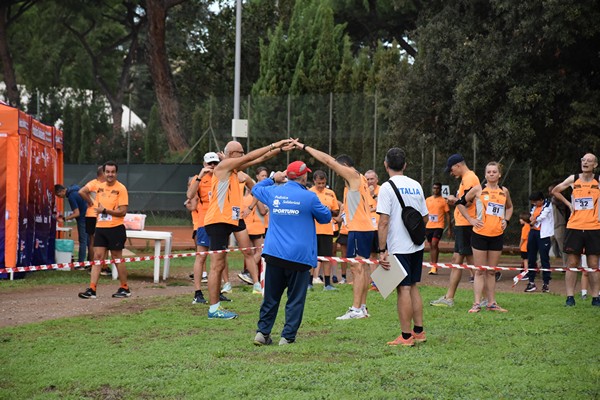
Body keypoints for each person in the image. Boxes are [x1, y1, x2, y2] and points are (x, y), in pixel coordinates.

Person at [204, 139, 294, 319]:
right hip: (218, 220)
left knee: (220, 263)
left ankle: (217, 305)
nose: (244, 155)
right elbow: (254, 156)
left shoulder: (235, 169)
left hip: (229, 220)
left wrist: (279, 149)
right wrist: (272, 144)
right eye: (240, 152)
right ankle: (214, 309)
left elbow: (258, 159)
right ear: (230, 155)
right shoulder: (224, 166)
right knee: (217, 264)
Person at [293, 139, 377, 319]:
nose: (337, 174)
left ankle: (356, 309)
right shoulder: (359, 178)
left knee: (357, 268)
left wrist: (304, 147)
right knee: (363, 268)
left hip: (359, 229)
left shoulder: (353, 176)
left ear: (345, 166)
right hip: (365, 228)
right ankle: (362, 307)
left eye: (339, 169)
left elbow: (328, 161)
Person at [252, 161, 332, 345]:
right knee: (295, 299)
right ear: (304, 177)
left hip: (274, 254)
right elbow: (326, 218)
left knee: (271, 297)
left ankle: (262, 333)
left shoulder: (274, 192)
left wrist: (273, 178)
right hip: (299, 257)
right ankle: (287, 337)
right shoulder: (309, 197)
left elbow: (256, 189)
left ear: (287, 175)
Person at [376, 148, 429, 346]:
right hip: (416, 244)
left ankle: (406, 337)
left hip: (398, 246)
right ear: (405, 165)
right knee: (413, 286)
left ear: (385, 164)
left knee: (403, 289)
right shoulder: (416, 185)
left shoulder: (386, 188)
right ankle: (419, 331)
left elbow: (383, 221)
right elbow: (424, 217)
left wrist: (382, 250)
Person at [457, 162, 513, 313]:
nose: (492, 174)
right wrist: (471, 220)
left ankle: (492, 303)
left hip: (497, 235)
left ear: (499, 174)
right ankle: (476, 303)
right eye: (489, 172)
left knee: (492, 271)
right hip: (480, 235)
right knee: (480, 271)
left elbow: (509, 207)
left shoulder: (504, 191)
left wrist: (506, 220)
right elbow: (460, 203)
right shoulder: (478, 190)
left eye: (494, 172)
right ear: (485, 174)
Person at [430, 154, 480, 307]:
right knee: (458, 261)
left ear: (458, 165)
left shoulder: (470, 179)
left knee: (470, 262)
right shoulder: (466, 179)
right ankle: (450, 297)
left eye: (452, 170)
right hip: (463, 224)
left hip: (466, 224)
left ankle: (482, 298)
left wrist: (454, 200)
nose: (451, 173)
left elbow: (470, 202)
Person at [551, 153, 600, 307]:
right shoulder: (574, 179)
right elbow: (556, 190)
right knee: (572, 262)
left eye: (589, 161)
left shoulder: (598, 180)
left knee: (593, 263)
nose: (585, 163)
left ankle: (595, 297)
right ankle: (570, 297)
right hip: (574, 226)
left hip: (594, 227)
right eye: (583, 160)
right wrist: (569, 204)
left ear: (595, 165)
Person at [78, 161, 130, 299]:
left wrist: (105, 211)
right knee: (97, 257)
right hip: (100, 227)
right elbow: (94, 204)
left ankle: (124, 287)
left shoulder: (121, 189)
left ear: (116, 173)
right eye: (108, 172)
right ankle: (92, 289)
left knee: (117, 257)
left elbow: (123, 211)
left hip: (116, 228)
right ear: (104, 173)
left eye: (113, 172)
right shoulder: (99, 188)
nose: (110, 174)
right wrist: (95, 208)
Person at [186, 152, 232, 304]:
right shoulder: (198, 178)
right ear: (204, 164)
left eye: (215, 163)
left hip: (220, 221)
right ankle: (198, 293)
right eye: (209, 163)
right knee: (201, 256)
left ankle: (216, 292)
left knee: (219, 258)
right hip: (204, 222)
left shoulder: (223, 176)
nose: (212, 166)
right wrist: (200, 176)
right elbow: (190, 195)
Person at [309, 170, 340, 291]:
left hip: (327, 230)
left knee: (327, 257)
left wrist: (328, 211)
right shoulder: (309, 192)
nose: (321, 186)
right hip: (313, 230)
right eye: (318, 183)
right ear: (314, 182)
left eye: (323, 183)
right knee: (312, 256)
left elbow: (336, 211)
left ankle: (327, 284)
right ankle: (309, 282)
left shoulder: (331, 193)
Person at [524, 192, 554, 293]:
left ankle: (546, 283)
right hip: (533, 233)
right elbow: (531, 216)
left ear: (541, 200)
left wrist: (534, 220)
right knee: (531, 258)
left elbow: (541, 216)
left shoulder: (548, 205)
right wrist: (531, 220)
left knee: (544, 259)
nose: (534, 204)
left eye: (535, 202)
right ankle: (531, 282)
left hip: (544, 235)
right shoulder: (534, 207)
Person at [55, 183, 88, 262]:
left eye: (58, 195)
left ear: (61, 192)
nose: (60, 197)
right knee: (89, 241)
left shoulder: (71, 197)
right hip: (88, 215)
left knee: (83, 241)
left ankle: (81, 262)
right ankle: (90, 260)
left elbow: (77, 213)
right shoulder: (74, 188)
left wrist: (64, 219)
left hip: (82, 219)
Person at [79, 166, 105, 263]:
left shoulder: (105, 184)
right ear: (102, 174)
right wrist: (90, 202)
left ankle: (96, 264)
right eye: (106, 172)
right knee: (94, 241)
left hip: (100, 216)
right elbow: (81, 191)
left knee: (97, 241)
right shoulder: (94, 183)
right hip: (93, 215)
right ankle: (93, 264)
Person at [425, 182, 452, 275]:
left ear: (440, 189)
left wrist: (449, 228)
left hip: (439, 226)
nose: (435, 190)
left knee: (434, 243)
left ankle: (434, 266)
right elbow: (425, 213)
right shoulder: (428, 200)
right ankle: (433, 264)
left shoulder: (443, 201)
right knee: (432, 246)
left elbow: (448, 214)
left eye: (437, 188)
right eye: (434, 188)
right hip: (429, 227)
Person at [518, 212, 531, 276]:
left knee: (525, 260)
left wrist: (519, 245)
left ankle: (526, 272)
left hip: (524, 247)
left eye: (521, 219)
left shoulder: (525, 227)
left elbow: (523, 238)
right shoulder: (530, 226)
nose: (520, 220)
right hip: (529, 246)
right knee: (527, 259)